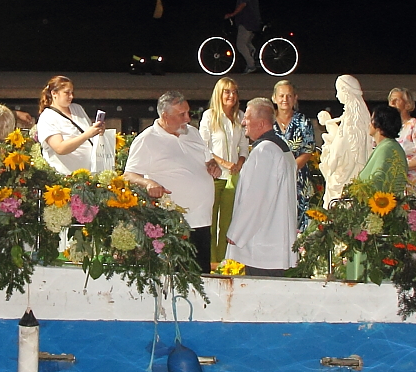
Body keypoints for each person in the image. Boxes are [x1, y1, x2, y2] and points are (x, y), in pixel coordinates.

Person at [123, 91, 223, 268]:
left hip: (202, 221)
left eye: (188, 113)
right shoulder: (147, 139)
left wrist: (212, 165)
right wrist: (148, 183)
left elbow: (208, 159)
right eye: (181, 114)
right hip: (173, 224)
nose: (188, 119)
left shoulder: (193, 133)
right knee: (176, 276)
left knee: (202, 275)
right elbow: (128, 175)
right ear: (165, 116)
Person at [223, 97, 298, 275]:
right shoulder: (281, 148)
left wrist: (236, 232)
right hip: (275, 240)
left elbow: (256, 198)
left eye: (247, 118)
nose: (243, 122)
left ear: (261, 123)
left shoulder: (265, 151)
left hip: (263, 244)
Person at [199, 76, 246, 262]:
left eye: (234, 92)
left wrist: (239, 163)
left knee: (227, 223)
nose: (231, 96)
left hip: (232, 177)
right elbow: (203, 147)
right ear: (219, 94)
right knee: (210, 222)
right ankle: (210, 262)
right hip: (214, 176)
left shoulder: (240, 116)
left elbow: (244, 146)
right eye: (227, 92)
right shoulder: (209, 116)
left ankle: (224, 262)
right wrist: (223, 163)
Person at [35, 75, 105, 175]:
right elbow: (60, 148)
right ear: (54, 93)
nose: (71, 96)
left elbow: (89, 134)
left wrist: (97, 130)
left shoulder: (77, 108)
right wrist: (87, 135)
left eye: (72, 93)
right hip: (65, 176)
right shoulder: (47, 117)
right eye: (67, 93)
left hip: (90, 174)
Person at [272, 80, 319, 227]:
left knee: (297, 224)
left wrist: (290, 168)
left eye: (289, 96)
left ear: (295, 98)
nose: (285, 99)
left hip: (298, 179)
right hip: (272, 179)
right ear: (274, 98)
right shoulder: (268, 121)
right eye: (281, 96)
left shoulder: (303, 121)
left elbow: (308, 149)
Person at [316, 74, 370, 197]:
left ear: (346, 92)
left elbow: (341, 143)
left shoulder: (352, 119)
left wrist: (332, 160)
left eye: (338, 91)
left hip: (347, 169)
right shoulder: (357, 114)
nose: (337, 95)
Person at [385, 87, 416, 194]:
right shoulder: (388, 127)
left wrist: (400, 166)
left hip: (411, 186)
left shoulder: (415, 125)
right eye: (390, 100)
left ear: (407, 105)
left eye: (396, 100)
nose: (392, 103)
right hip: (391, 184)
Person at [357, 103, 408, 197]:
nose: (369, 124)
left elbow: (378, 179)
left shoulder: (387, 148)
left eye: (371, 120)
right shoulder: (387, 146)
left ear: (378, 124)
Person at [224, 0, 262, 74]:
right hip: (253, 22)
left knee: (240, 44)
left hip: (246, 23)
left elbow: (242, 5)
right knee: (247, 42)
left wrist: (232, 14)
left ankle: (251, 65)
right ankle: (253, 53)